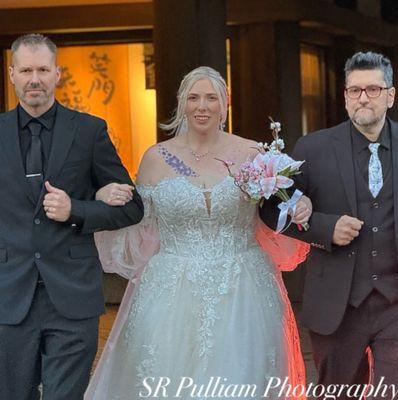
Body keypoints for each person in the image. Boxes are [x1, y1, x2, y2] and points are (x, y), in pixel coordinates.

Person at [85, 66, 311, 400]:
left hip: (242, 285)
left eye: (211, 98)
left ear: (225, 104)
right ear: (181, 104)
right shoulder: (156, 158)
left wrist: (299, 201)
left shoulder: (252, 154)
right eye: (193, 97)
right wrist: (103, 199)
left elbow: (278, 204)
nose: (202, 106)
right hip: (170, 288)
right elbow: (138, 219)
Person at [0, 33, 144, 400]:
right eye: (27, 70)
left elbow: (132, 206)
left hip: (72, 296)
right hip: (8, 295)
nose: (35, 78)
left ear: (57, 74)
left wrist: (76, 210)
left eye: (43, 70)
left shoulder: (88, 130)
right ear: (12, 73)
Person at [260, 52, 398, 398]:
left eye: (373, 89)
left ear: (391, 95)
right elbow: (272, 209)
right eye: (354, 90)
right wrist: (324, 228)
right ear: (344, 96)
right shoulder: (314, 147)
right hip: (338, 306)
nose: (363, 98)